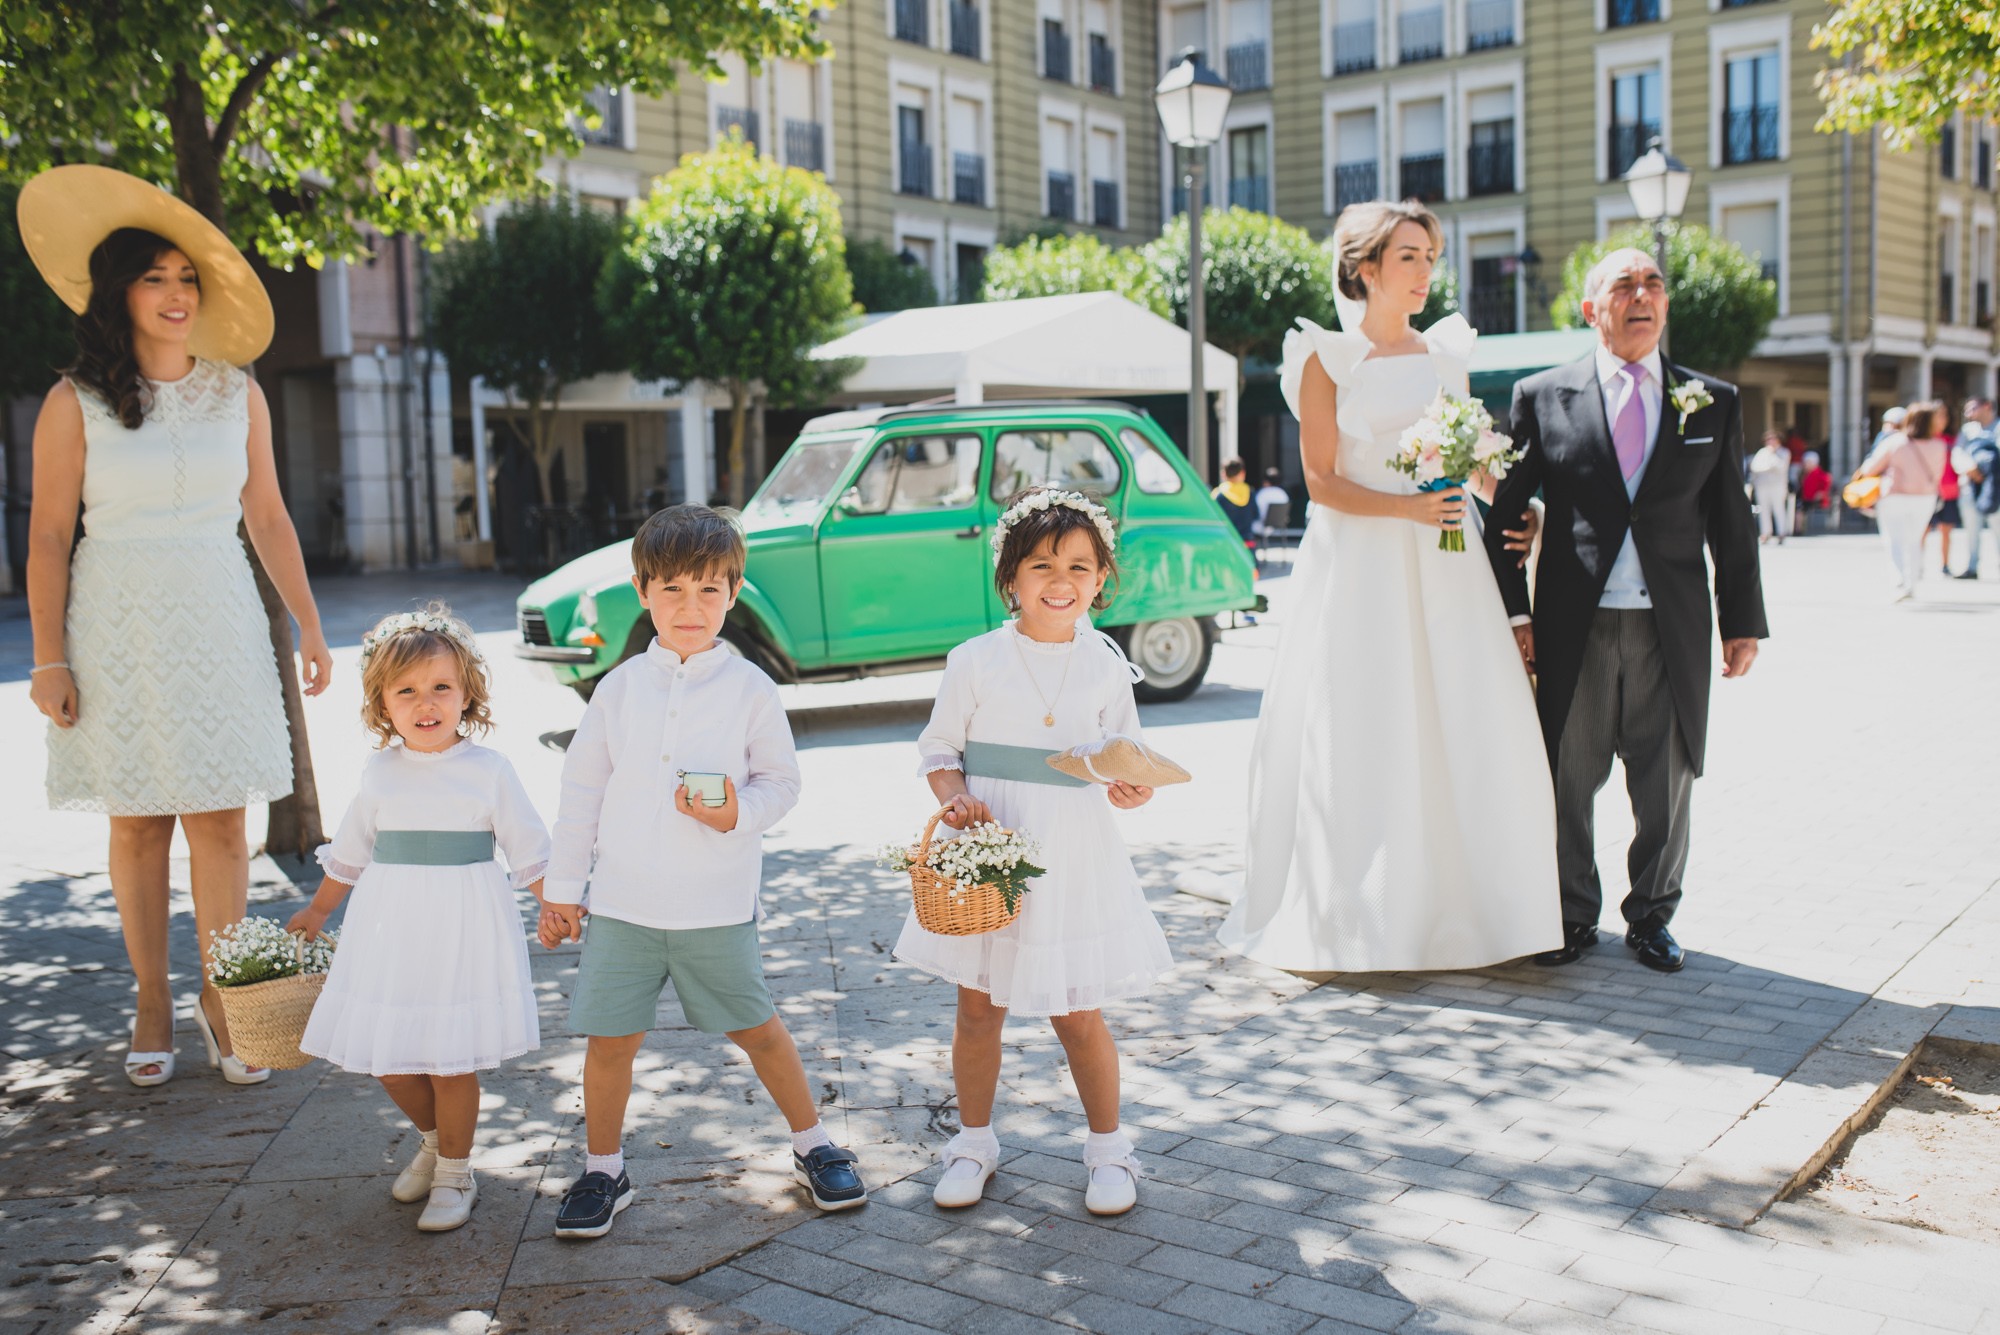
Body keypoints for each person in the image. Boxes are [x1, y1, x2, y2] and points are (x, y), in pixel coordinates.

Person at [20, 165, 331, 1088]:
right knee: (139, 825)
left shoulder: (239, 393)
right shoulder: (72, 401)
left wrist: (311, 626)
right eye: (155, 277)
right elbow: (44, 535)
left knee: (224, 825)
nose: (175, 293)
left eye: (186, 278)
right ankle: (152, 1000)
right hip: (113, 618)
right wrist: (46, 657)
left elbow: (269, 518)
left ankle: (227, 1003)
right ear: (119, 292)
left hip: (220, 612)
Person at [1221, 200, 1560, 973]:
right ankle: (1363, 917)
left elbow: (1473, 465)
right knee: (1364, 726)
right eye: (1410, 256)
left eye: (1432, 257)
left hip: (1447, 565)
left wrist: (1509, 495)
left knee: (1468, 721)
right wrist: (1407, 508)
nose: (1426, 273)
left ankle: (1478, 911)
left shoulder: (1445, 354)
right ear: (1366, 267)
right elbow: (1322, 482)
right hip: (1361, 566)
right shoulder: (1323, 357)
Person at [540, 505, 867, 1240]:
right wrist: (563, 892)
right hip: (622, 905)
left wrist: (736, 814)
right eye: (673, 590)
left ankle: (814, 1142)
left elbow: (781, 782)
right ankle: (603, 1167)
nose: (691, 608)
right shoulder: (619, 689)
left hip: (715, 904)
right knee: (609, 1040)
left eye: (709, 591)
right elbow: (581, 793)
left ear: (735, 591)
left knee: (759, 1029)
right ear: (642, 591)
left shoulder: (750, 688)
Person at [1486, 247, 1767, 974]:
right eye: (1624, 284)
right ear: (1591, 309)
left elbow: (1731, 520)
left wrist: (1742, 621)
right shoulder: (1542, 395)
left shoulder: (1712, 400)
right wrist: (1517, 618)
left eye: (1653, 283)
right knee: (1567, 779)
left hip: (1669, 625)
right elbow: (1506, 519)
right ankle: (1570, 913)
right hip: (1571, 623)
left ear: (1664, 306)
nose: (1642, 294)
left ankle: (1652, 915)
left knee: (1665, 782)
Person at [894, 487, 1171, 1216]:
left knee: (1078, 1010)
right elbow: (938, 747)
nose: (1061, 580)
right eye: (1042, 564)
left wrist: (1129, 787)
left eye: (1080, 566)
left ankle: (1110, 1150)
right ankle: (974, 1141)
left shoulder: (1108, 664)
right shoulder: (976, 660)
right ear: (1009, 577)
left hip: (1072, 853)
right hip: (994, 849)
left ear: (1101, 579)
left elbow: (1123, 756)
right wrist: (952, 796)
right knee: (979, 1008)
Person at [286, 607, 548, 1232]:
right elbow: (350, 852)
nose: (425, 703)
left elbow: (528, 846)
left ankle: (456, 1171)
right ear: (382, 703)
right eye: (406, 691)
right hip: (392, 927)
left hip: (464, 926)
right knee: (391, 1056)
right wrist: (319, 910)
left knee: (450, 1057)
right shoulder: (380, 771)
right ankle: (435, 1141)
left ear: (466, 695)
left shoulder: (489, 770)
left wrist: (555, 903)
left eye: (441, 688)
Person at [1856, 401, 1951, 600]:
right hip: (1925, 498)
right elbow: (1939, 473)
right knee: (1914, 541)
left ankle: (1899, 580)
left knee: (1894, 540)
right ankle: (1911, 583)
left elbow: (1871, 468)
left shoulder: (1895, 442)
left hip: (1894, 495)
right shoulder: (1939, 445)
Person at [1957, 397, 1998, 578]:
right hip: (1970, 486)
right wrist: (1970, 468)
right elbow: (1957, 453)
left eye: (1972, 409)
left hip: (1995, 488)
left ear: (1987, 406)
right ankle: (1972, 566)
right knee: (1971, 530)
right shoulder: (1968, 431)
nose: (1968, 414)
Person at [1749, 431, 1792, 545]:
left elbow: (1781, 467)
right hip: (1762, 485)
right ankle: (1765, 533)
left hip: (1777, 485)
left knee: (1779, 509)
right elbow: (1755, 467)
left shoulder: (1784, 452)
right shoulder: (1762, 452)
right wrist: (1768, 466)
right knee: (1764, 510)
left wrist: (1772, 457)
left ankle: (1782, 532)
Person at [1211, 458, 1257, 548]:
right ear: (1242, 473)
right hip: (1247, 542)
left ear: (1223, 474)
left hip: (1225, 542)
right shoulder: (1249, 492)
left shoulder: (1218, 494)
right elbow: (1256, 515)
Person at [1798, 451, 1832, 531]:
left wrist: (1821, 493)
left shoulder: (1820, 474)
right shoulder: (1804, 474)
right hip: (1806, 498)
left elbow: (1826, 484)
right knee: (1799, 508)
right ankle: (1799, 528)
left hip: (1816, 499)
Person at [1254, 467, 1291, 536]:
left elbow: (1257, 511)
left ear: (1266, 481)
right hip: (1280, 524)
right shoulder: (1283, 494)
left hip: (1262, 526)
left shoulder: (1262, 493)